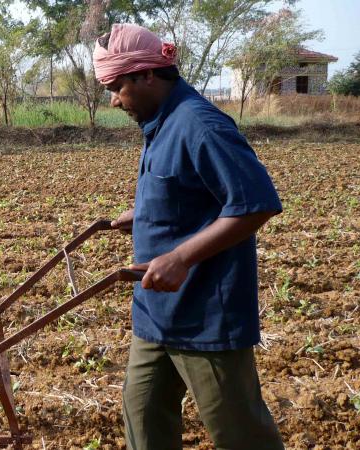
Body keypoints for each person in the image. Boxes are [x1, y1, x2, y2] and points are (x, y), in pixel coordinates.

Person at [92, 23, 284, 450]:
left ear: (145, 75)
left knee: (240, 434)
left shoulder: (199, 124)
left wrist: (180, 258)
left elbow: (256, 203)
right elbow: (187, 192)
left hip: (204, 317)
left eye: (116, 86)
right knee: (142, 420)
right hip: (155, 312)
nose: (113, 98)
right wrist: (143, 215)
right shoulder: (160, 121)